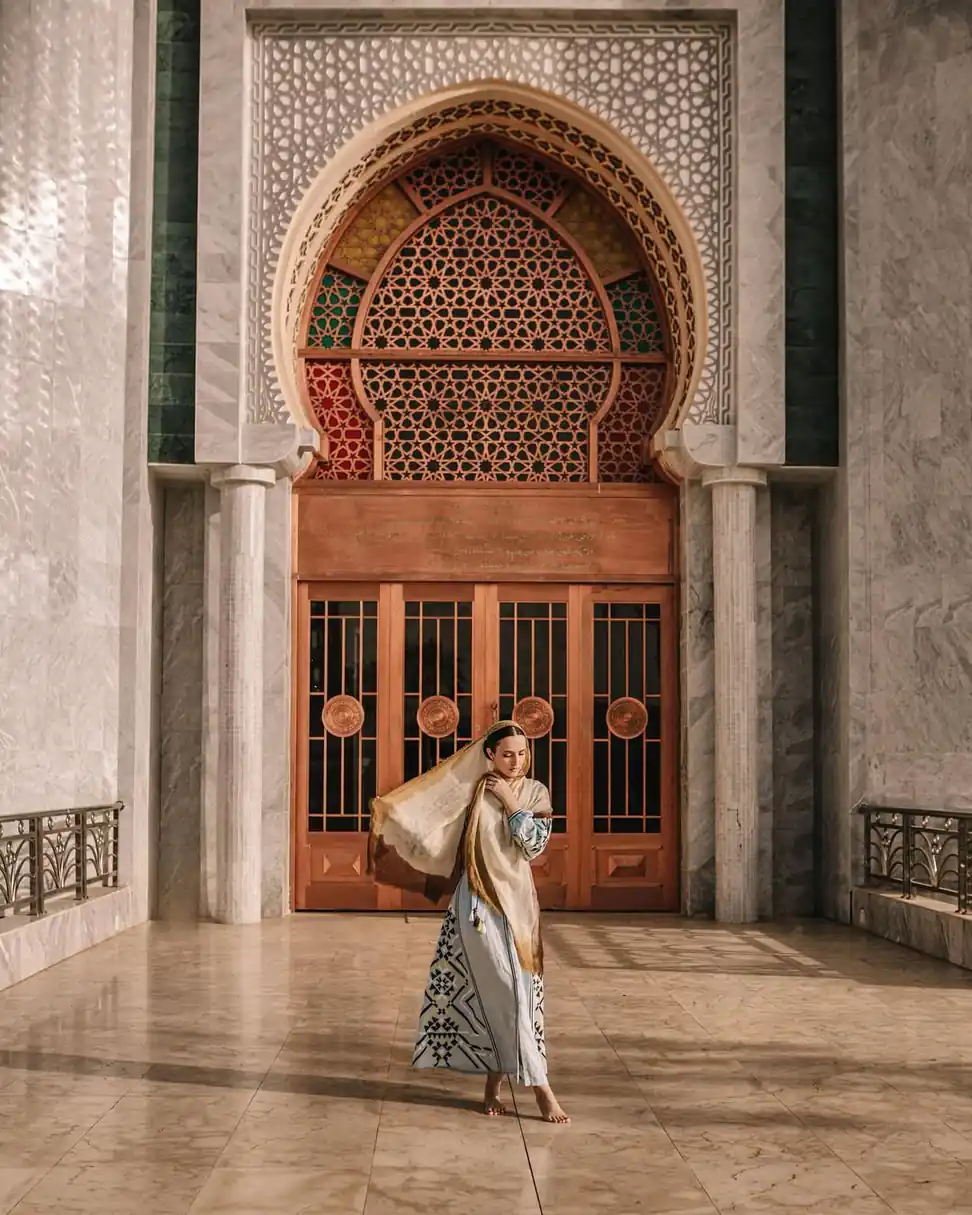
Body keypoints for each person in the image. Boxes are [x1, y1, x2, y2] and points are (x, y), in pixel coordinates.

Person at [369, 721, 570, 1123]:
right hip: (476, 904)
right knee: (504, 990)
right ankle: (542, 1089)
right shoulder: (472, 791)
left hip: (517, 906)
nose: (515, 762)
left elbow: (531, 846)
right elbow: (433, 824)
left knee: (517, 995)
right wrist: (397, 819)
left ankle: (493, 1084)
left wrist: (512, 805)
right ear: (490, 755)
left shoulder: (535, 793)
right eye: (507, 754)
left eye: (522, 753)